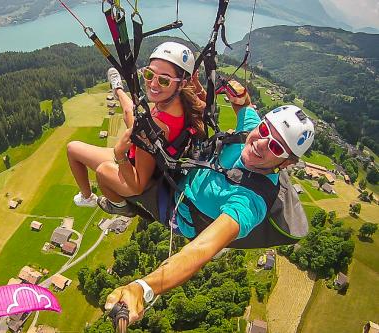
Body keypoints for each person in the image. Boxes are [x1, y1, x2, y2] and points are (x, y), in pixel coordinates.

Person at [103, 81, 315, 324]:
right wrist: (241, 96)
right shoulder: (250, 130)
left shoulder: (250, 201)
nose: (261, 143)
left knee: (105, 170)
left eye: (276, 147)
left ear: (286, 163)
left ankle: (122, 207)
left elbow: (202, 250)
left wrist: (143, 287)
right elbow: (245, 106)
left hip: (175, 211)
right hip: (180, 176)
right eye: (265, 130)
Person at [67, 42, 205, 213]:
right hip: (156, 156)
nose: (153, 84)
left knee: (92, 163)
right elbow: (130, 113)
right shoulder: (187, 102)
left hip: (137, 170)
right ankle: (117, 88)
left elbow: (138, 185)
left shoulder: (152, 128)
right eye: (149, 74)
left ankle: (116, 205)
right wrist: (198, 86)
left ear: (181, 83)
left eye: (164, 80)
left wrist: (119, 155)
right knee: (129, 113)